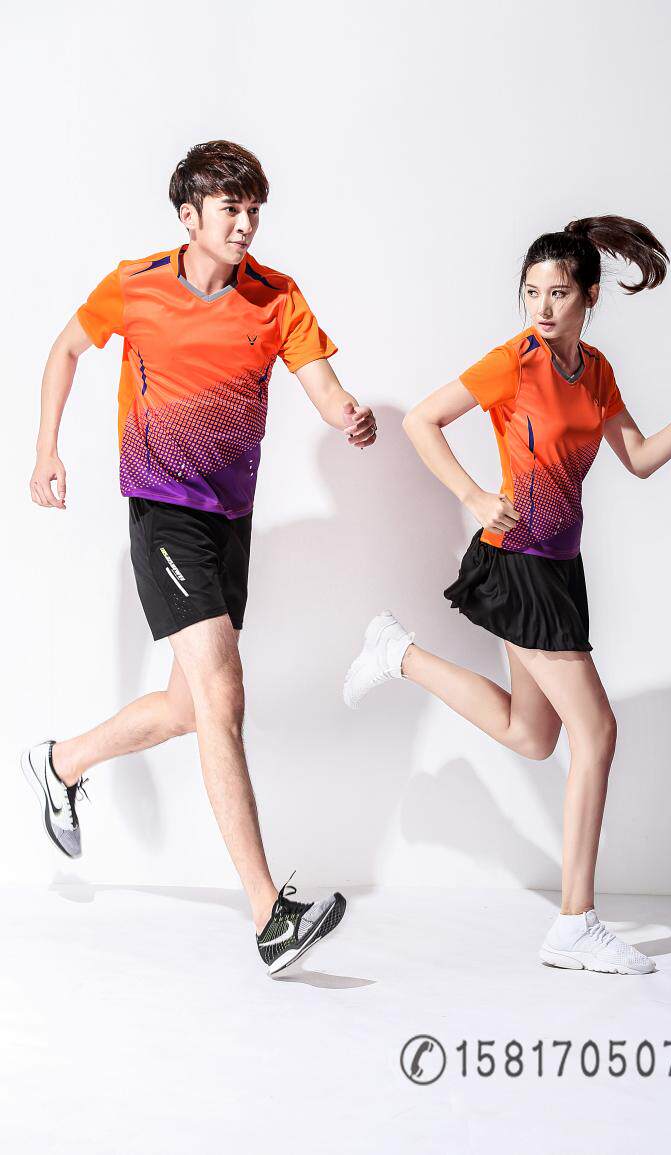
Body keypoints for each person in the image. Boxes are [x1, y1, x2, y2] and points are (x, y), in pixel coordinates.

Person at [23, 140, 377, 977]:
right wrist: (46, 449)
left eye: (254, 210)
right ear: (189, 217)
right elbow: (65, 349)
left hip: (230, 522)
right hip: (163, 514)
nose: (246, 224)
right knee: (224, 695)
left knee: (189, 708)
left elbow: (325, 387)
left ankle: (59, 762)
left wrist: (350, 417)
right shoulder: (136, 284)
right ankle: (270, 914)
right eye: (230, 210)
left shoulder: (276, 296)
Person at [343, 215, 671, 975]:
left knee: (532, 735)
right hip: (517, 561)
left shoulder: (597, 371)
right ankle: (575, 923)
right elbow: (422, 420)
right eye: (531, 292)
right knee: (598, 731)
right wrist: (474, 495)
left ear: (589, 298)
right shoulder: (513, 362)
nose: (542, 307)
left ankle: (398, 654)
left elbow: (637, 457)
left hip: (560, 567)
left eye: (558, 293)